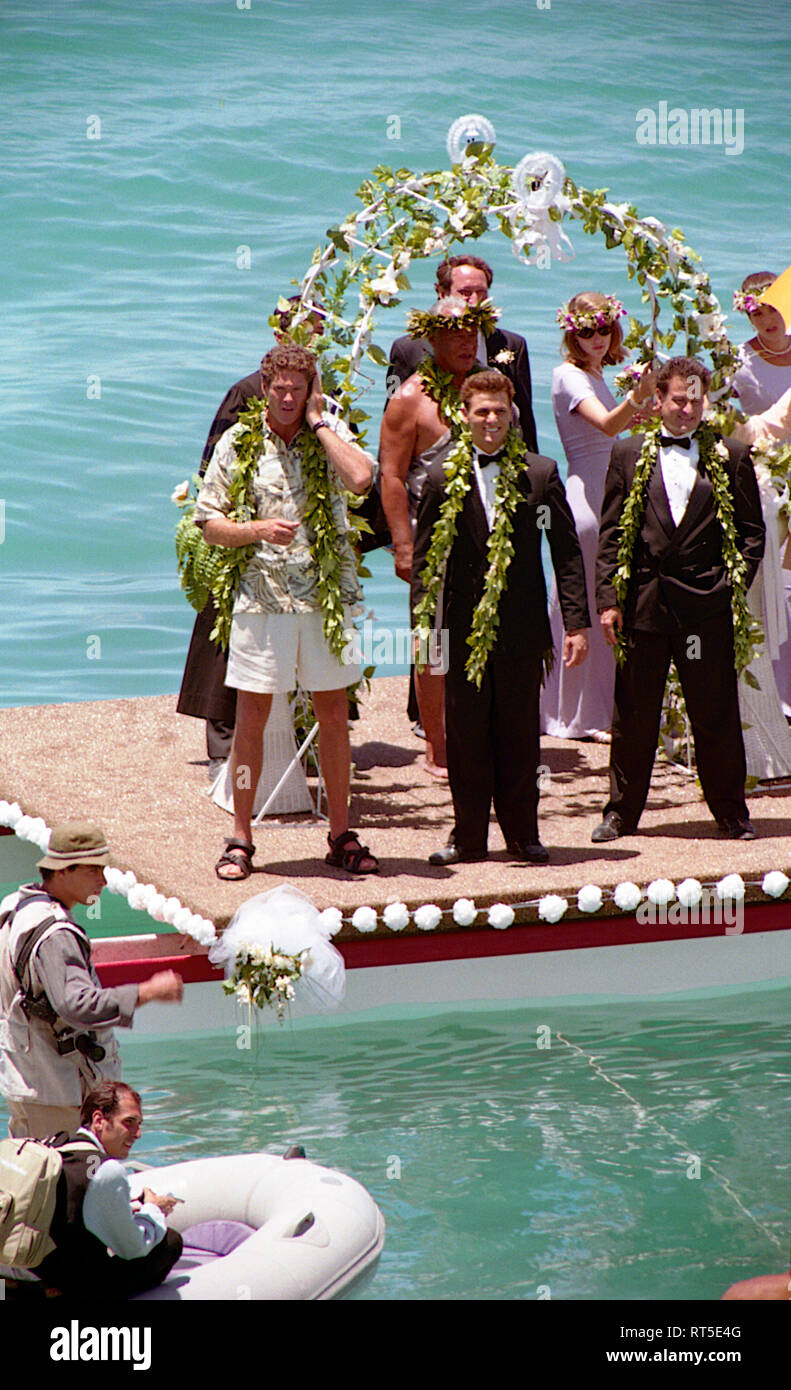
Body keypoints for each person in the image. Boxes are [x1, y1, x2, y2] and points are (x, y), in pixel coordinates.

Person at [194, 343, 379, 878]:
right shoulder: (240, 442)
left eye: (299, 388)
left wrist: (322, 425)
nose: (289, 397)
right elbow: (210, 522)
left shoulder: (329, 436)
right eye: (281, 388)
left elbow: (363, 479)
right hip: (263, 600)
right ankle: (241, 838)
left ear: (310, 390)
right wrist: (256, 530)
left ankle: (341, 833)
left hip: (325, 602)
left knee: (334, 716)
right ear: (266, 387)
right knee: (251, 718)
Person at [412, 371, 590, 864]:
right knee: (466, 734)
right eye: (481, 411)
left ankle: (523, 835)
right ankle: (467, 837)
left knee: (517, 732)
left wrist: (575, 624)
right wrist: (423, 633)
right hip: (461, 624)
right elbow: (427, 561)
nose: (491, 420)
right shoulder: (441, 475)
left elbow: (567, 553)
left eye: (499, 411)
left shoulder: (540, 473)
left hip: (522, 625)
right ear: (463, 416)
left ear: (512, 413)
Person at [592, 357, 765, 843]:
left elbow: (752, 535)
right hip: (645, 604)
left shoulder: (731, 455)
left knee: (714, 712)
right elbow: (610, 535)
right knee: (633, 715)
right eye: (678, 399)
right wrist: (609, 599)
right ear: (659, 400)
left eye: (695, 399)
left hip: (704, 609)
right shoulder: (627, 454)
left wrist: (729, 589)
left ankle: (731, 811)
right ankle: (621, 813)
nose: (687, 409)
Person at [177, 299, 328, 776]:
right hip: (245, 535)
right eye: (303, 329)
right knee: (228, 637)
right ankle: (225, 745)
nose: (310, 337)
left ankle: (299, 740)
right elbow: (210, 467)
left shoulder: (321, 396)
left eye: (318, 331)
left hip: (301, 552)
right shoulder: (246, 390)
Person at [0, 824, 184, 1140]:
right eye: (94, 870)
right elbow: (76, 1005)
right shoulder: (55, 934)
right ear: (64, 871)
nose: (102, 880)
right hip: (56, 1089)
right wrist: (147, 991)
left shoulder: (15, 906)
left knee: (33, 1169)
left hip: (28, 1078)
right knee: (63, 1178)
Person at [380, 295, 489, 776]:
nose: (468, 342)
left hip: (487, 534)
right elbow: (392, 477)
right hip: (433, 537)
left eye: (474, 333)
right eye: (457, 333)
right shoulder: (409, 399)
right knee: (433, 641)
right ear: (433, 337)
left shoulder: (489, 390)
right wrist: (404, 545)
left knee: (485, 632)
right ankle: (436, 745)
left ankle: (482, 733)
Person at [541, 292, 655, 741]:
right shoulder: (568, 376)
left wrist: (650, 407)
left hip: (612, 492)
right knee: (581, 602)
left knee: (608, 600)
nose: (595, 339)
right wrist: (637, 397)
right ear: (572, 332)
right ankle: (570, 714)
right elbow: (608, 425)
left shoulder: (595, 374)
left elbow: (621, 427)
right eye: (586, 331)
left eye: (603, 330)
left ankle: (599, 708)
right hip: (587, 498)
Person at [32, 1081, 183, 1299]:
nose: (138, 1133)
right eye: (129, 1122)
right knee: (170, 1241)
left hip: (26, 1275)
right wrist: (152, 1209)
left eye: (139, 1124)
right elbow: (132, 1248)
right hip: (71, 1287)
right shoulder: (106, 1169)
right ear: (99, 1120)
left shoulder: (54, 1146)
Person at [731, 271, 791, 774]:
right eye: (756, 311)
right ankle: (775, 697)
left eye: (771, 308)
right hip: (765, 479)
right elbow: (746, 427)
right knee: (775, 587)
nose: (765, 319)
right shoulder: (736, 360)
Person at [387, 253, 538, 451]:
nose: (474, 302)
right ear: (442, 292)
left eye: (481, 293)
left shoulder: (512, 345)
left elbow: (525, 417)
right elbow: (391, 417)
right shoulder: (408, 349)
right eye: (465, 293)